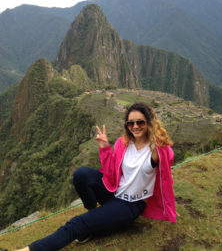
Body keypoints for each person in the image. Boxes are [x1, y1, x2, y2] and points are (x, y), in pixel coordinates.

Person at [16, 102, 176, 251]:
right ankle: (93, 213)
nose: (135, 127)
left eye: (140, 122)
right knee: (81, 174)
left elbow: (167, 164)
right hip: (115, 193)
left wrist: (157, 136)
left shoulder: (157, 150)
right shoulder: (124, 143)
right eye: (130, 123)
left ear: (149, 122)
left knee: (76, 224)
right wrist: (105, 148)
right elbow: (111, 172)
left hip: (131, 205)